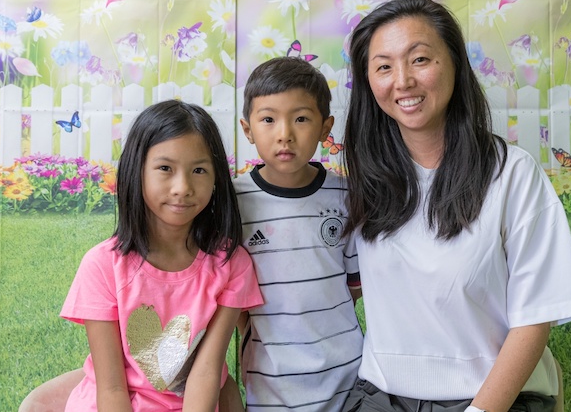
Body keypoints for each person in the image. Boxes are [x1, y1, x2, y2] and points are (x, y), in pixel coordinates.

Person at [340, 0, 571, 412]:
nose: (402, 81)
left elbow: (535, 318)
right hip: (380, 397)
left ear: (455, 63)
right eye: (383, 66)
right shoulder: (364, 179)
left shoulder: (512, 173)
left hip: (493, 400)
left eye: (420, 59)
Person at [52, 100, 263, 411]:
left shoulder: (231, 264)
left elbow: (206, 372)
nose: (182, 187)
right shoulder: (102, 266)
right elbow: (111, 388)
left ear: (217, 178)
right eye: (165, 168)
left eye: (199, 170)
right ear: (136, 170)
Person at [234, 57, 363, 410]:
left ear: (325, 127)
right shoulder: (234, 202)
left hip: (347, 379)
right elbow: (233, 297)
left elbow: (353, 286)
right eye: (268, 119)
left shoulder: (345, 196)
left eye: (301, 118)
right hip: (270, 385)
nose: (284, 134)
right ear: (248, 129)